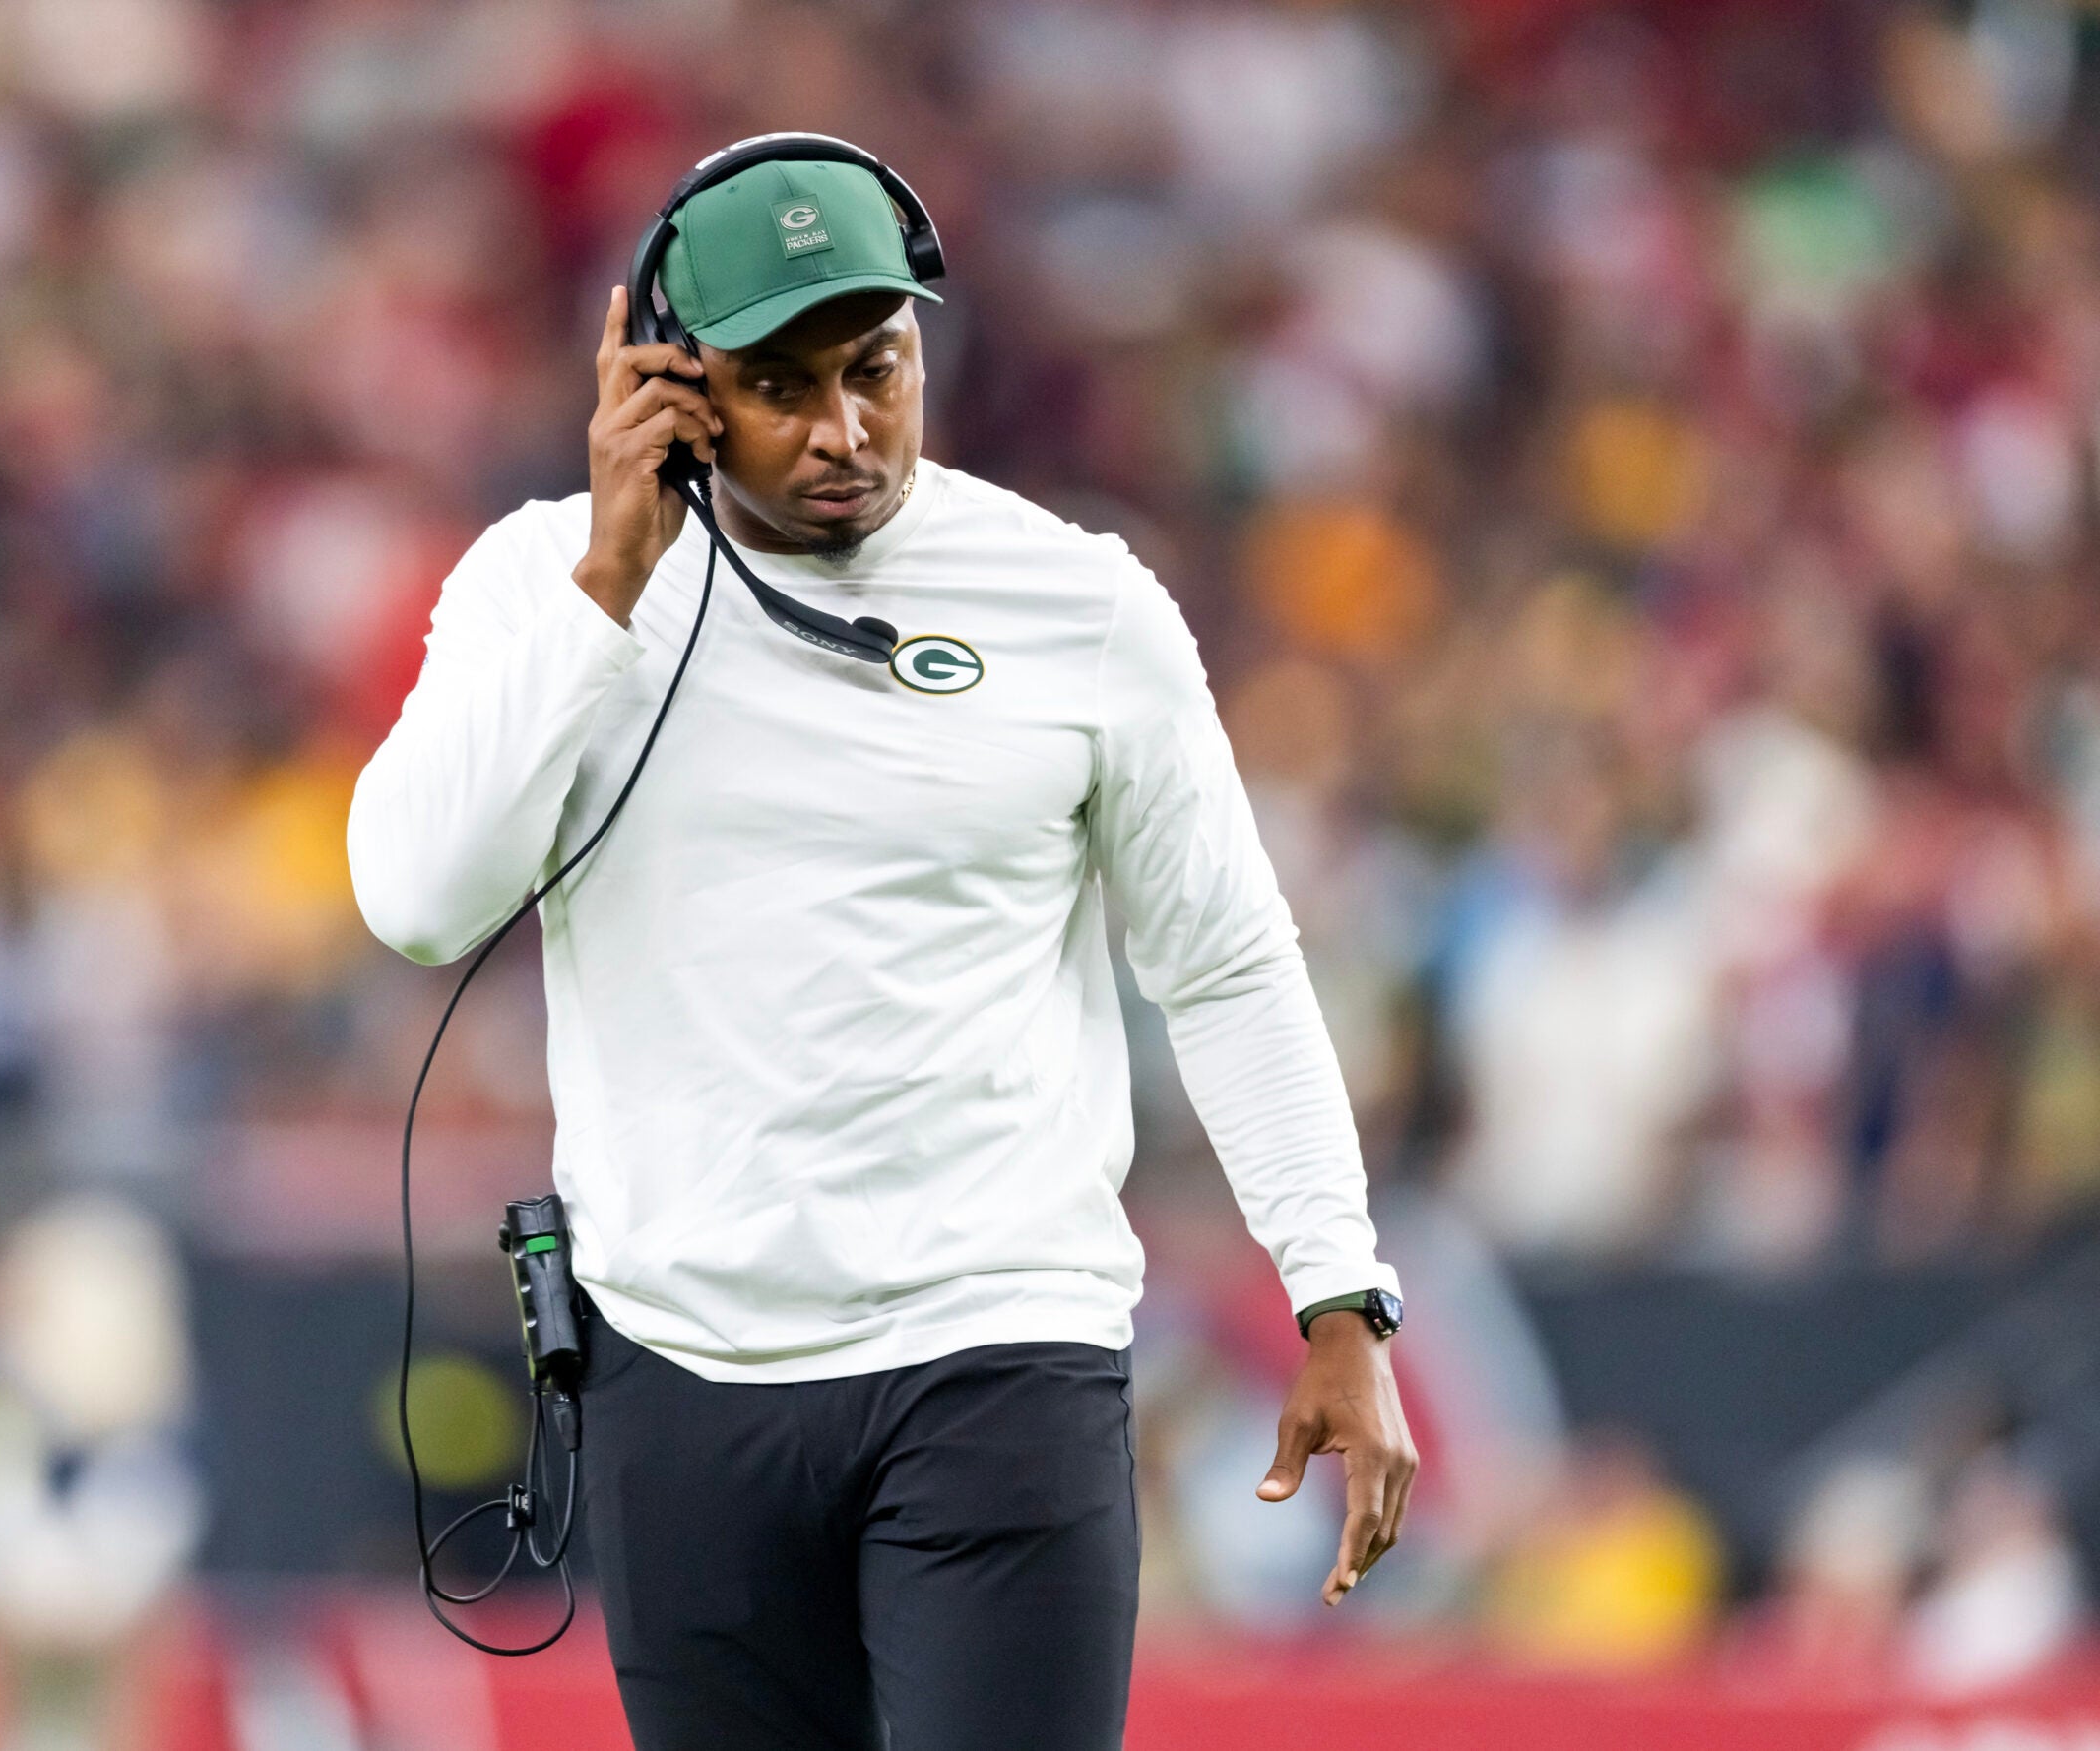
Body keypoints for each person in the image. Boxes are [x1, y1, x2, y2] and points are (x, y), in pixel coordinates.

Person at [346, 143, 1416, 1751]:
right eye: (781, 385)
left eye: (877, 367)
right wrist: (609, 585)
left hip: (996, 1348)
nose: (845, 430)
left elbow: (1226, 960)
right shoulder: (541, 588)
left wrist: (1339, 1292)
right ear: (667, 380)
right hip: (682, 1364)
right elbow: (415, 898)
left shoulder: (1079, 602)